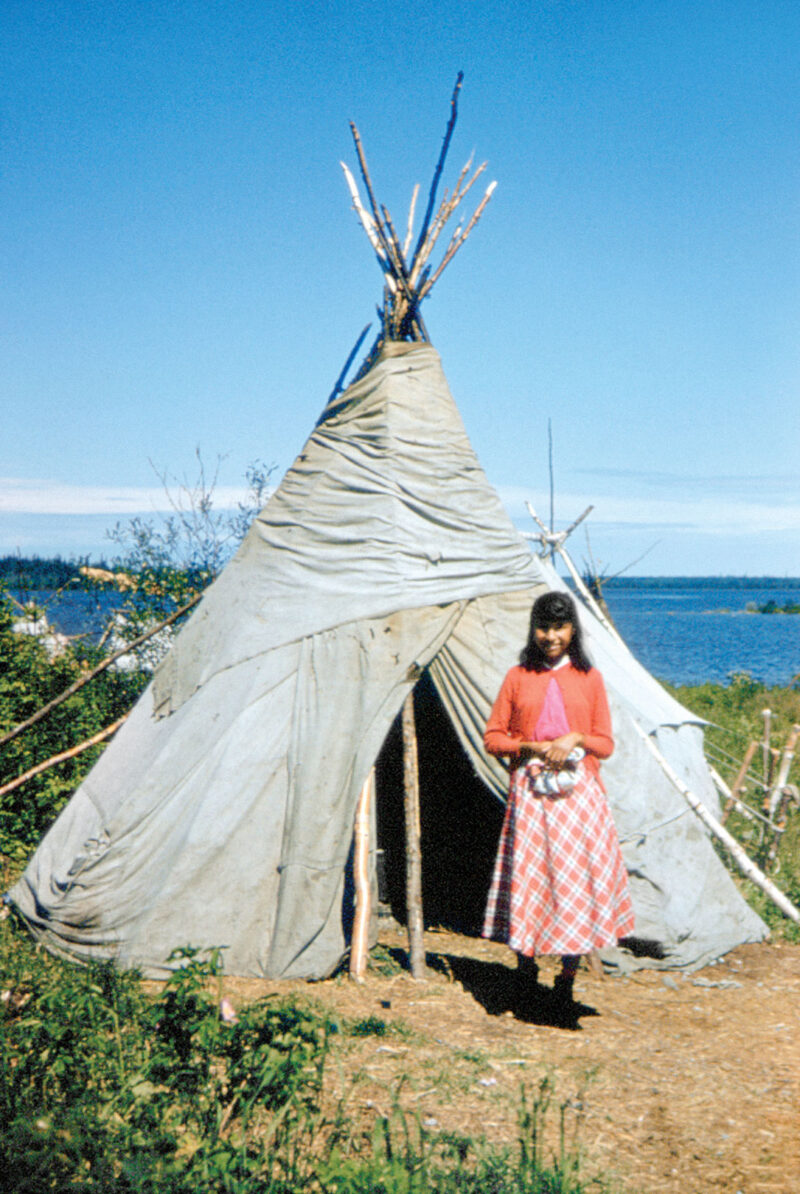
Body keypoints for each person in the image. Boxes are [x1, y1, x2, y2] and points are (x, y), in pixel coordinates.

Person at [482, 590, 634, 1011]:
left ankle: (567, 978)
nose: (551, 636)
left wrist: (574, 739)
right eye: (544, 627)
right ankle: (525, 969)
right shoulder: (518, 677)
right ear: (534, 629)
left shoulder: (590, 678)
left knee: (573, 884)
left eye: (560, 627)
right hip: (531, 796)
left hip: (578, 800)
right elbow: (493, 738)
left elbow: (604, 744)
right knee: (532, 879)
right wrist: (529, 746)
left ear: (573, 630)